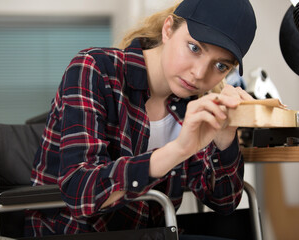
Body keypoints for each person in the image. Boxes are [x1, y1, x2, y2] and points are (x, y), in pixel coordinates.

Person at [25, 0, 257, 239]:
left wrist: (225, 138)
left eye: (220, 66)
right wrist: (177, 150)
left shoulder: (193, 103)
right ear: (168, 29)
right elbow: (81, 191)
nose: (199, 74)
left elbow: (225, 202)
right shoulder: (94, 69)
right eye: (194, 48)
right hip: (74, 232)